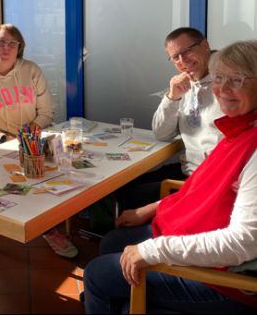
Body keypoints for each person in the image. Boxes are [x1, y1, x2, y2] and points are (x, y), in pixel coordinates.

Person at [83, 40, 257, 314]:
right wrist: (150, 209)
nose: (223, 89)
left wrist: (152, 251)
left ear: (204, 46)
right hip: (199, 226)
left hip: (229, 281)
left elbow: (242, 242)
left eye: (236, 80)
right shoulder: (239, 127)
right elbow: (165, 139)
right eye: (219, 78)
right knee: (112, 241)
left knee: (96, 274)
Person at [0, 23, 78, 259]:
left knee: (65, 170)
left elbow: (46, 112)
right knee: (11, 180)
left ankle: (48, 224)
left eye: (12, 43)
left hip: (35, 141)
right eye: (1, 42)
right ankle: (42, 228)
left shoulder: (31, 71)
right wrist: (2, 137)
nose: (6, 48)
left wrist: (29, 136)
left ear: (20, 48)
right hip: (0, 146)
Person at [117, 27, 223, 211]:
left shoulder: (227, 85)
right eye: (175, 57)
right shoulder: (184, 84)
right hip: (188, 169)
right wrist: (172, 97)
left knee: (128, 196)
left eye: (187, 51)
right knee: (122, 185)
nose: (182, 61)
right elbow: (161, 133)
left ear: (205, 46)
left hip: (208, 182)